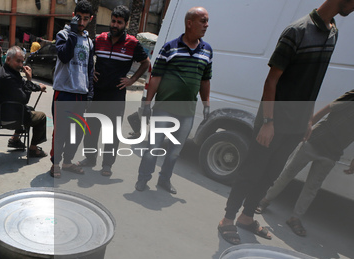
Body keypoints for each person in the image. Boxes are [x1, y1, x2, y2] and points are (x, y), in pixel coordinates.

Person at [217, 0, 354, 245]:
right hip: (275, 119)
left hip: (297, 123)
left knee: (270, 174)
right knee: (252, 171)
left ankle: (246, 217)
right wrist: (268, 122)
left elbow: (314, 82)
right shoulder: (298, 31)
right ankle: (227, 219)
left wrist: (308, 120)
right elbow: (271, 81)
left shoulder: (333, 31)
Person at [135, 7, 211, 194]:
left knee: (175, 152)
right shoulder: (170, 47)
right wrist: (147, 102)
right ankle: (143, 178)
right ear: (189, 23)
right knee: (153, 147)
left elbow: (205, 79)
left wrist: (206, 103)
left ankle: (164, 180)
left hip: (187, 112)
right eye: (202, 21)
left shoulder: (207, 50)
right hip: (164, 109)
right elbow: (156, 77)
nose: (206, 25)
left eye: (207, 21)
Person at [256, 90, 354, 236]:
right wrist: (307, 127)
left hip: (333, 152)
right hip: (315, 140)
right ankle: (264, 201)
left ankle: (295, 218)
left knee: (312, 187)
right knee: (288, 173)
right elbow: (328, 109)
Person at [79, 5, 150, 177]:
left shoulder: (132, 43)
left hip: (116, 95)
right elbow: (87, 55)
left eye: (119, 22)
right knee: (91, 128)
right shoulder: (100, 39)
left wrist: (132, 80)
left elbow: (146, 63)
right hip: (97, 93)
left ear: (125, 24)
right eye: (113, 21)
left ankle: (107, 164)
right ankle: (90, 158)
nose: (114, 25)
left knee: (112, 132)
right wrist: (90, 71)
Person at [49, 0, 95, 178]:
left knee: (76, 132)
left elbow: (90, 68)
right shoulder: (63, 34)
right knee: (60, 131)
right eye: (78, 18)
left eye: (85, 19)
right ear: (73, 16)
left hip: (81, 94)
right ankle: (55, 163)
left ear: (90, 19)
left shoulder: (89, 42)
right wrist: (74, 34)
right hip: (64, 92)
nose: (81, 22)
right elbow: (65, 55)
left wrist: (90, 93)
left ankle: (68, 162)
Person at [0, 46, 48, 158]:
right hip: (7, 118)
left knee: (29, 110)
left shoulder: (8, 71)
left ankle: (15, 139)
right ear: (8, 59)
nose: (21, 65)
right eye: (18, 61)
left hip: (0, 114)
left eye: (22, 61)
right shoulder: (8, 77)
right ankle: (33, 149)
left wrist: (37, 87)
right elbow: (24, 99)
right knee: (41, 117)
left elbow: (21, 84)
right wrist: (29, 79)